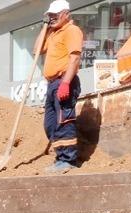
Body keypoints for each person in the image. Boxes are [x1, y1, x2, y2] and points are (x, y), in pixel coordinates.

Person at [40, 0, 83, 173]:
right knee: (50, 124)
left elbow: (74, 58)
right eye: (50, 16)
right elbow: (37, 50)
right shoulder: (53, 33)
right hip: (52, 84)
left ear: (66, 14)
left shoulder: (71, 31)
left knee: (64, 121)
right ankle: (60, 157)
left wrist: (65, 83)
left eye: (55, 15)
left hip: (64, 80)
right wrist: (45, 27)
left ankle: (68, 160)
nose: (52, 18)